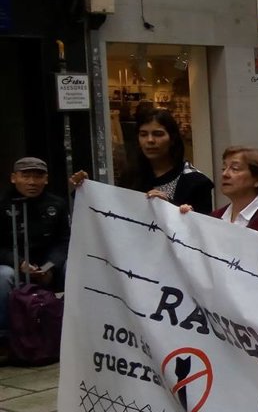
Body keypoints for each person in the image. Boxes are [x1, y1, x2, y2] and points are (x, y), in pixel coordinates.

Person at [72, 108, 214, 212]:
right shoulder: (131, 175)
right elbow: (113, 211)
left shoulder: (195, 182)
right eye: (143, 134)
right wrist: (84, 189)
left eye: (158, 134)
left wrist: (170, 207)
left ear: (172, 139)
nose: (150, 140)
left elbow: (202, 231)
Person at [1, 157, 71, 361]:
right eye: (26, 176)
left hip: (49, 267)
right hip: (14, 266)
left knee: (74, 268)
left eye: (37, 176)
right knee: (3, 276)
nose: (32, 182)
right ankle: (4, 340)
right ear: (14, 178)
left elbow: (65, 241)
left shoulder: (57, 204)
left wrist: (49, 266)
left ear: (46, 179)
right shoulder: (3, 206)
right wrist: (20, 263)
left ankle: (72, 331)